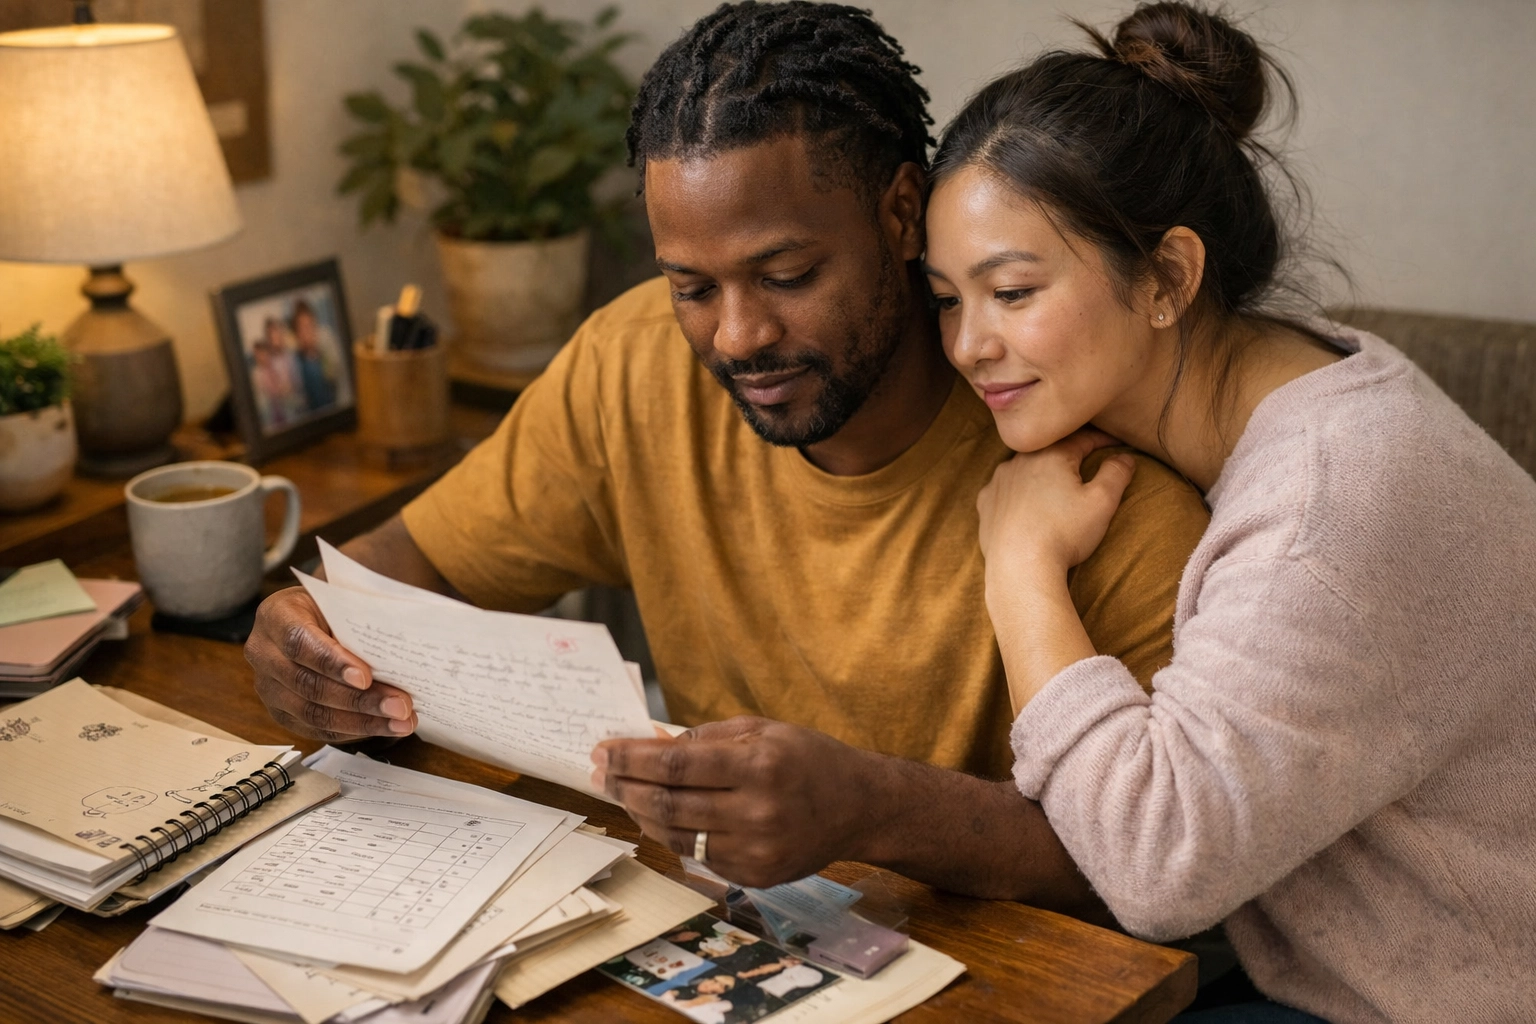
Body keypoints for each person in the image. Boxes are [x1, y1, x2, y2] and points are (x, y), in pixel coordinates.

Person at [245, 1, 1208, 913]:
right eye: (692, 286)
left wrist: (877, 808)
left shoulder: (1089, 457)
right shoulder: (632, 365)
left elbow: (1155, 867)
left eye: (787, 275)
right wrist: (310, 634)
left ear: (901, 214)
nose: (739, 335)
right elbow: (409, 568)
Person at [921, 2, 1536, 1021]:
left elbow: (1160, 864)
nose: (967, 345)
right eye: (948, 298)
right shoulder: (1289, 378)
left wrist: (1019, 567)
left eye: (1013, 291)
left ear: (1167, 277)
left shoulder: (1329, 505)